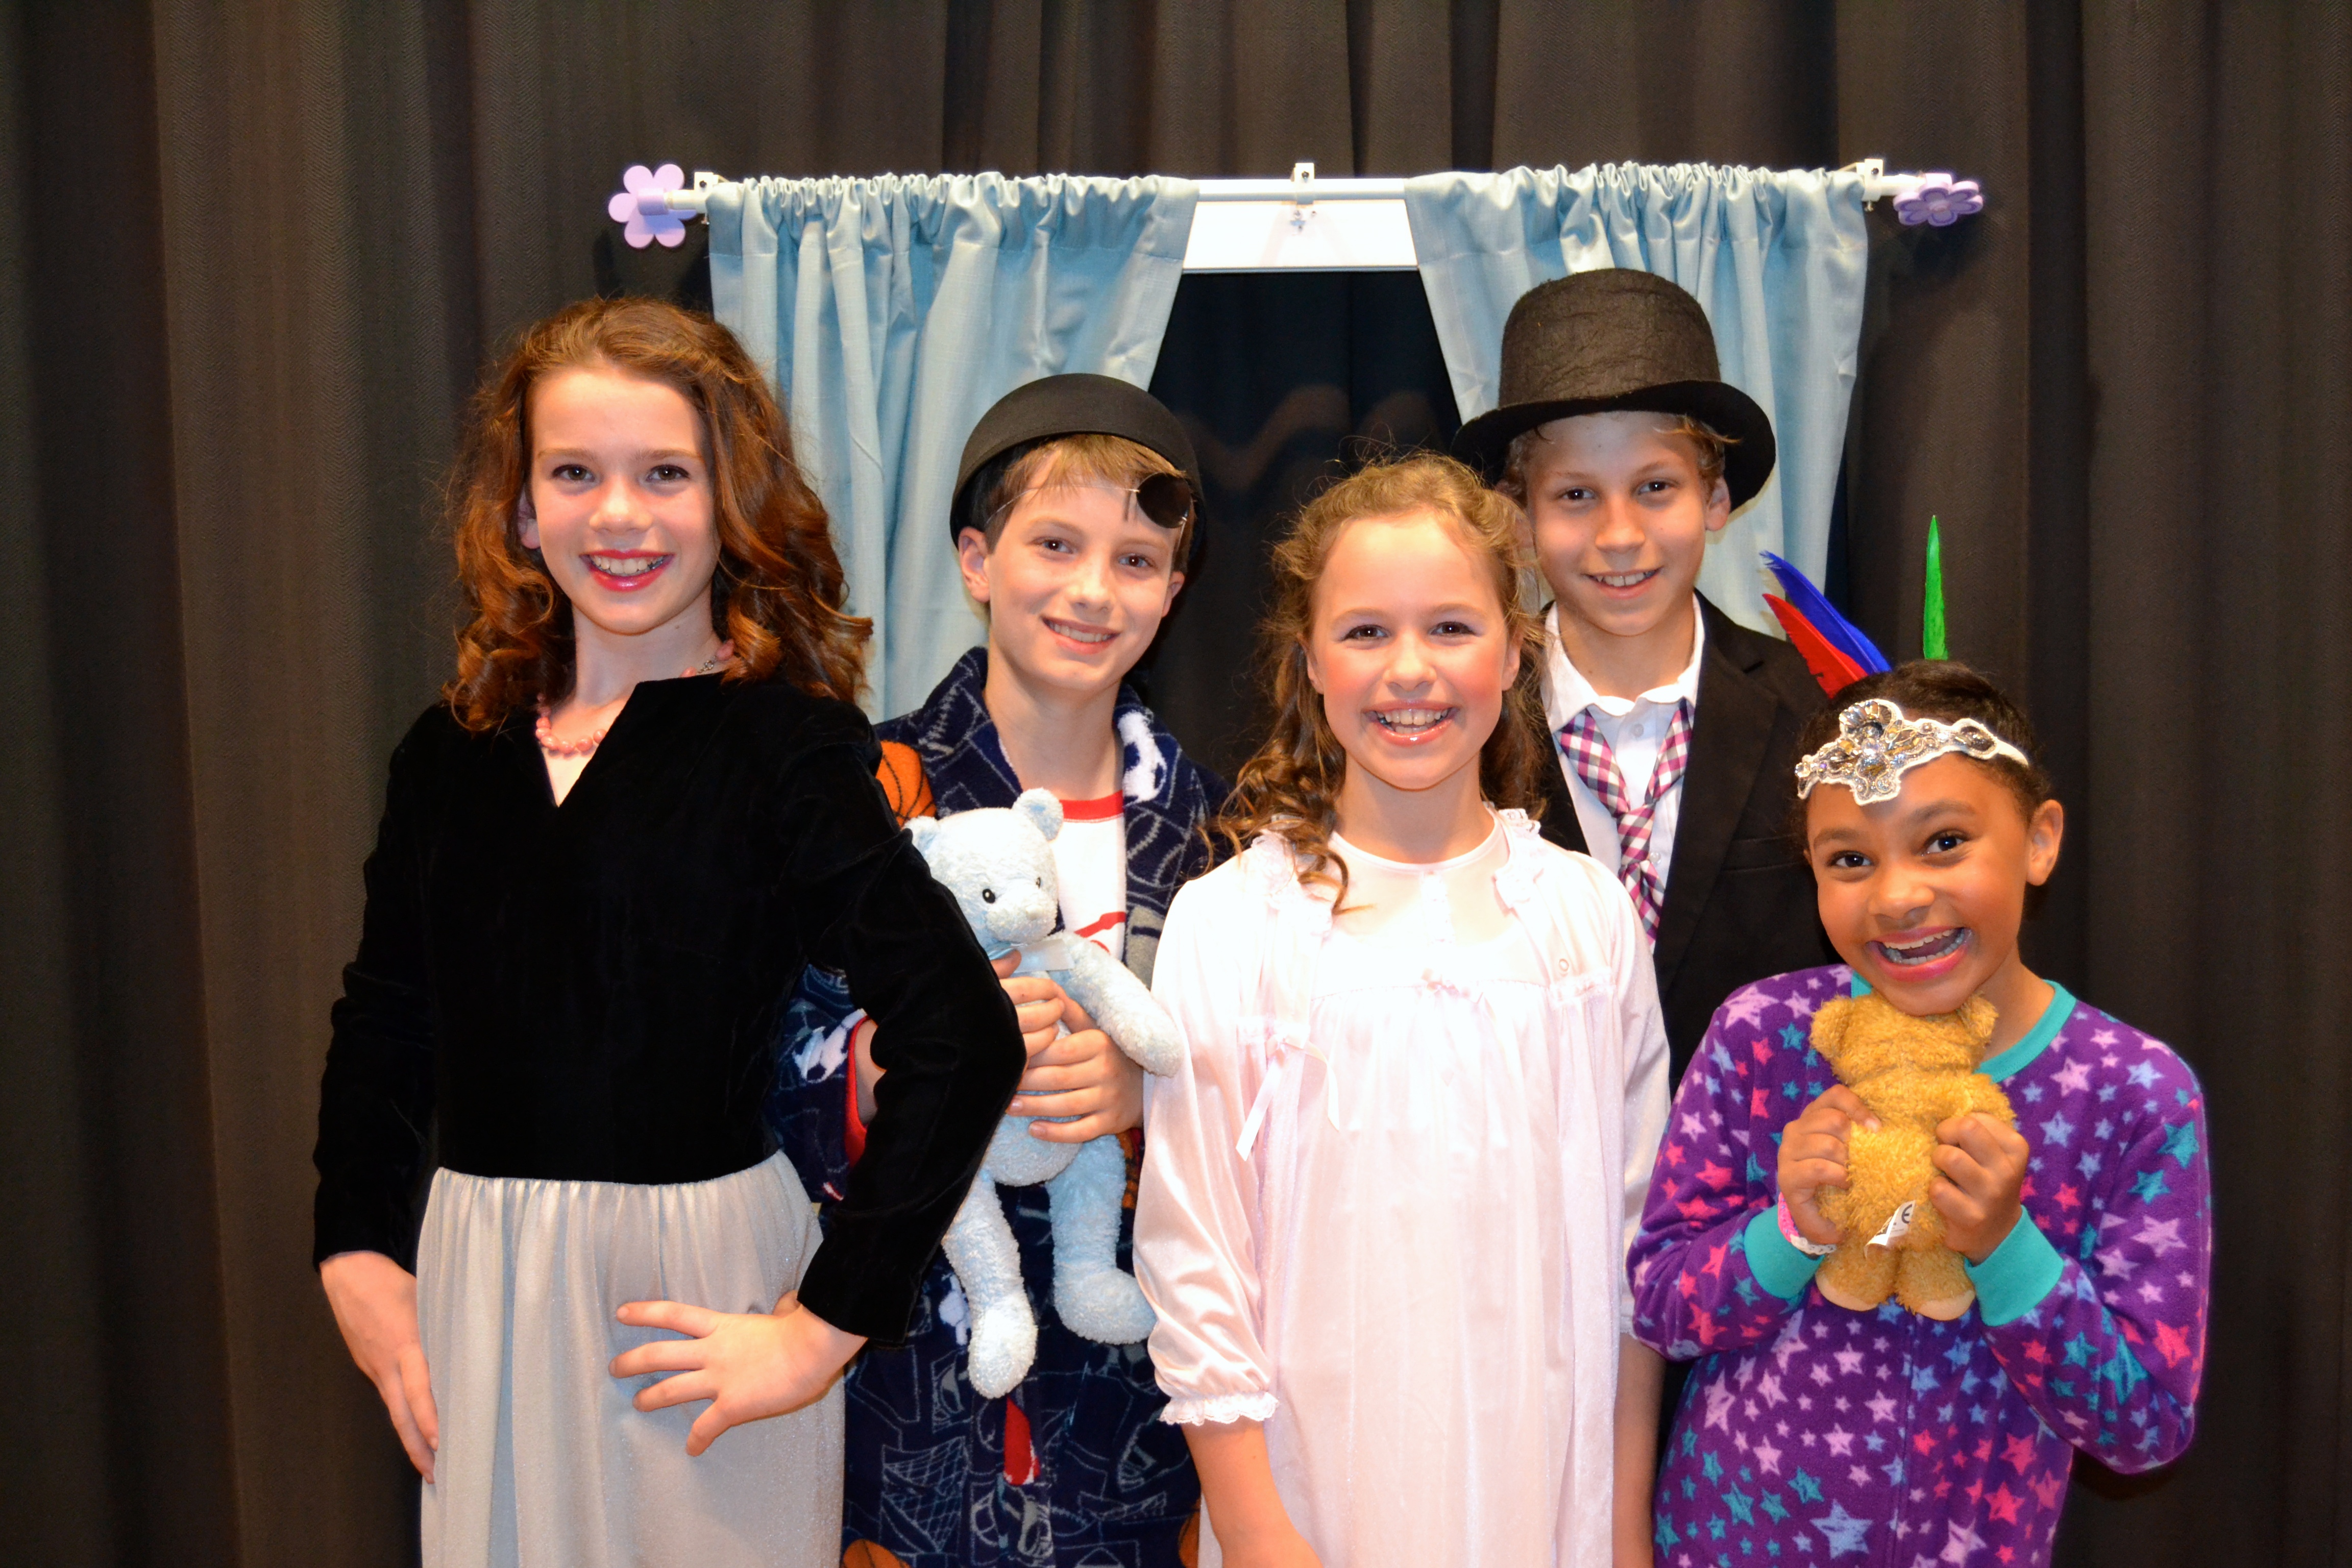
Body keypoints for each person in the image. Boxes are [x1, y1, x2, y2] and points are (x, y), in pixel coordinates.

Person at [312, 298, 1025, 1568]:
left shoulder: (783, 747)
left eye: (665, 474)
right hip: (480, 1285)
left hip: (695, 1309)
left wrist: (820, 1330)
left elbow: (962, 1033)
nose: (620, 516)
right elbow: (388, 1017)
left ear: (731, 499)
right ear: (519, 508)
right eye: (574, 473)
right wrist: (356, 1249)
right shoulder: (450, 754)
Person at [1133, 453, 1671, 1567]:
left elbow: (1635, 1256)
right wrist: (1256, 1530)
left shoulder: (1586, 921)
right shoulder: (1231, 926)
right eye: (1367, 631)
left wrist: (1624, 1530)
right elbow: (1196, 1255)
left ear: (1514, 651)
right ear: (1309, 661)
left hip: (1548, 1500)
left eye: (1452, 628)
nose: (1411, 671)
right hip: (1311, 1504)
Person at [766, 375, 1226, 1567]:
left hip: (1146, 1427)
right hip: (906, 1406)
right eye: (1055, 544)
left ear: (1175, 593)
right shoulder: (861, 795)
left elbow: (1283, 1098)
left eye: (1137, 560)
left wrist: (1148, 1094)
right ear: (976, 559)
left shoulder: (1228, 833)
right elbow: (749, 1060)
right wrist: (882, 1069)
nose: (1094, 590)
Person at [1628, 663, 2211, 1566]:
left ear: (2040, 840)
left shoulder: (2131, 1092)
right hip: (1726, 1542)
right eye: (1850, 860)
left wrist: (2006, 1247)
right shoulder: (1765, 1038)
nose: (1897, 896)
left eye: (1943, 842)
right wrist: (1790, 1231)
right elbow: (1662, 1308)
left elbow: (2144, 1426)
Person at [1453, 269, 1833, 1088]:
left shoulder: (1817, 715)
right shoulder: (1460, 727)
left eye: (1655, 488)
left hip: (1765, 1156)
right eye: (1575, 495)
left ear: (1716, 498)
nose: (1620, 534)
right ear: (1519, 518)